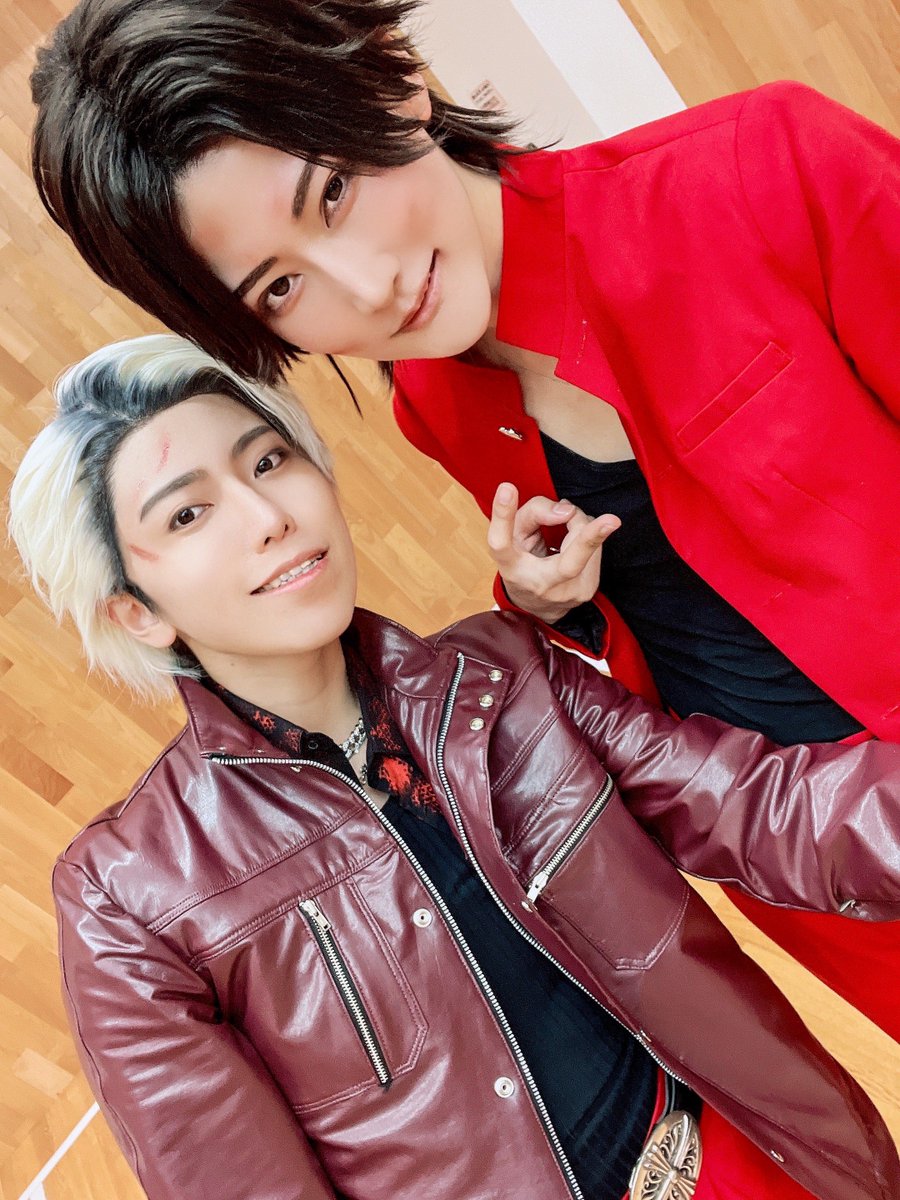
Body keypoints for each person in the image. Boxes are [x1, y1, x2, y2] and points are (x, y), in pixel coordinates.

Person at [28, 0, 900, 1036]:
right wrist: (556, 606)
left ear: (392, 77)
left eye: (334, 191)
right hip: (801, 858)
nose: (368, 288)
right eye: (280, 288)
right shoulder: (434, 403)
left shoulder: (764, 170)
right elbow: (671, 616)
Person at [9, 332, 900, 1200]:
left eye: (269, 461)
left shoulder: (504, 672)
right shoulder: (125, 898)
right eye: (188, 513)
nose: (267, 515)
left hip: (763, 1161)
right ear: (136, 612)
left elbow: (763, 808)